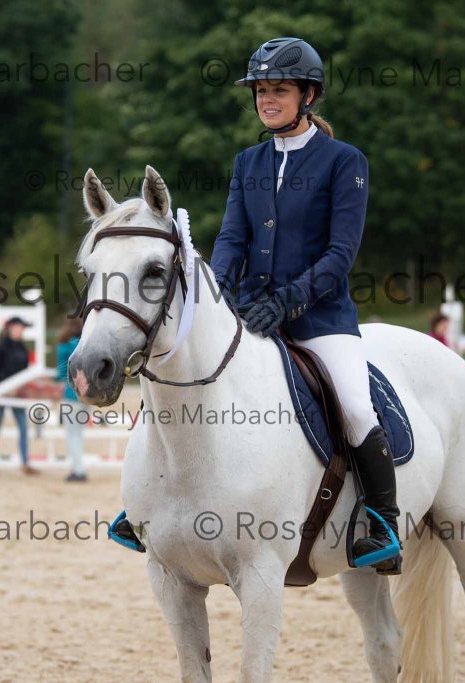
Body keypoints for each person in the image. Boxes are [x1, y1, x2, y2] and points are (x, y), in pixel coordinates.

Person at [112, 37, 401, 573]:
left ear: (307, 95)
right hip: (247, 313)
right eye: (261, 91)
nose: (267, 100)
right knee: (175, 380)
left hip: (320, 318)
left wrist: (289, 300)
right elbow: (231, 238)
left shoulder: (345, 162)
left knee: (357, 406)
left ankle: (382, 520)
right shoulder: (249, 162)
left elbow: (340, 254)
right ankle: (144, 503)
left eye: (279, 91)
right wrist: (217, 295)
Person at [0, 316, 38, 476]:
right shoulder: (0, 348)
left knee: (23, 428)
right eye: (19, 327)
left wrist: (20, 388)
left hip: (17, 394)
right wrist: (3, 388)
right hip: (0, 393)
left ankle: (25, 462)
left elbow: (25, 371)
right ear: (11, 328)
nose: (21, 331)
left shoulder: (22, 348)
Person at [57, 316, 87, 482]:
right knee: (79, 434)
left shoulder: (64, 346)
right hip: (86, 396)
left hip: (70, 395)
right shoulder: (84, 344)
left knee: (71, 434)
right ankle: (79, 467)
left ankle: (78, 470)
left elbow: (60, 373)